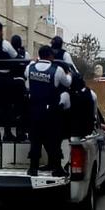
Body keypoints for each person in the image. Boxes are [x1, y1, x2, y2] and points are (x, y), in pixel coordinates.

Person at [26, 45, 72, 177]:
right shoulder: (57, 70)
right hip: (50, 112)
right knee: (53, 139)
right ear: (51, 56)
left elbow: (26, 79)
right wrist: (68, 74)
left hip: (34, 110)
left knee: (35, 140)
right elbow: (67, 83)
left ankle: (33, 168)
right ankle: (57, 169)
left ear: (39, 55)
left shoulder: (30, 67)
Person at [9, 35, 30, 141]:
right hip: (20, 83)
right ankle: (20, 131)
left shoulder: (8, 53)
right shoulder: (24, 54)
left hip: (9, 83)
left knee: (9, 107)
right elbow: (27, 70)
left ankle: (8, 132)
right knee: (22, 108)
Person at [67, 73, 98, 140]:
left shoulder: (67, 95)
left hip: (71, 130)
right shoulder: (91, 94)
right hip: (88, 130)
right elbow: (94, 113)